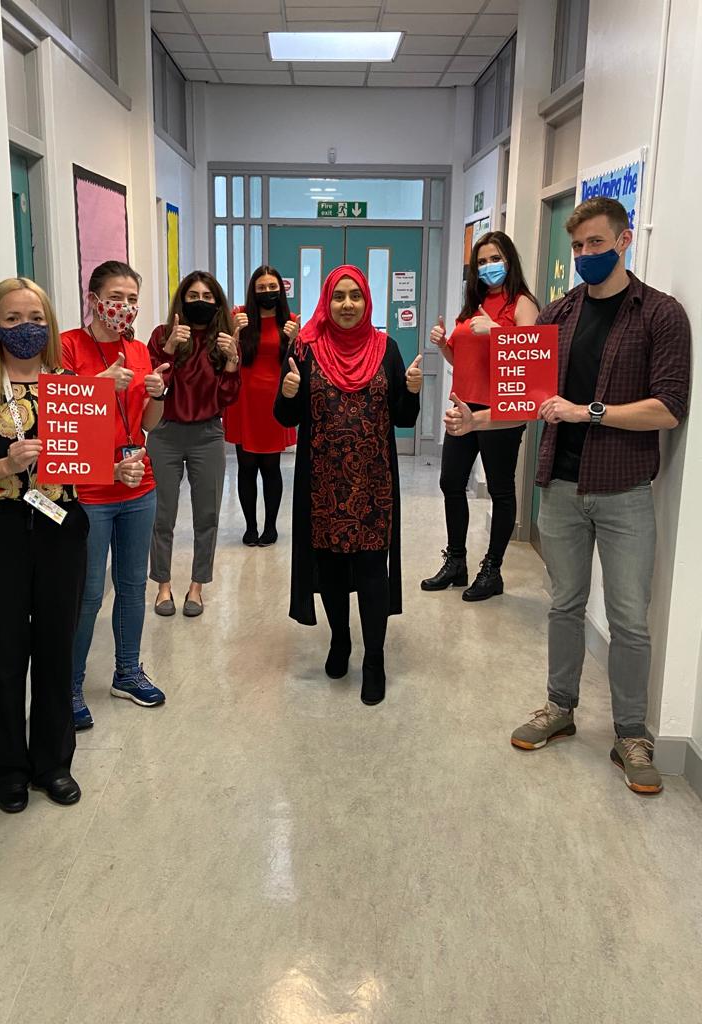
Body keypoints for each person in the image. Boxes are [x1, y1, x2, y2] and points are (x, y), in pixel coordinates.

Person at [446, 197, 691, 795]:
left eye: (597, 245)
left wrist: (589, 412)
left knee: (630, 619)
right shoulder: (558, 315)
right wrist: (479, 424)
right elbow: (525, 401)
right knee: (564, 604)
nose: (585, 256)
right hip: (558, 487)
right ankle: (560, 707)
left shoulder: (660, 315)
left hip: (624, 489)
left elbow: (668, 407)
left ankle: (632, 733)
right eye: (578, 247)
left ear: (625, 240)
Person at [0, 278, 88, 812]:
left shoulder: (72, 384)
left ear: (48, 322)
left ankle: (53, 763)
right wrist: (5, 464)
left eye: (34, 316)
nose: (25, 327)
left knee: (56, 649)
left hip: (60, 528)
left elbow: (85, 466)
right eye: (12, 319)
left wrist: (115, 467)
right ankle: (9, 768)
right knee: (3, 654)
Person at [274, 265, 422, 706]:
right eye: (338, 296)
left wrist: (411, 391)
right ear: (327, 300)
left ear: (367, 301)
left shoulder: (386, 349)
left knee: (374, 574)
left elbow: (404, 419)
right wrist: (286, 391)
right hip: (323, 484)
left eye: (354, 296)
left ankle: (374, 660)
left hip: (374, 485)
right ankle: (340, 641)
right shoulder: (306, 349)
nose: (346, 305)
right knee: (333, 574)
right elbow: (286, 419)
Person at [62, 261, 169, 731]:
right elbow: (61, 421)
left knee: (131, 587)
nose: (123, 307)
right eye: (115, 296)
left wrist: (159, 393)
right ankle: (69, 685)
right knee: (86, 593)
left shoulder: (139, 350)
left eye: (131, 299)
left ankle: (127, 671)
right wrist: (101, 384)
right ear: (92, 298)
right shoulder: (68, 346)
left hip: (137, 482)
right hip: (89, 490)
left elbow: (148, 425)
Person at [422, 231, 539, 601]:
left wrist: (498, 332)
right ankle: (457, 561)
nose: (489, 267)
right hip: (465, 407)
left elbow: (530, 361)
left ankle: (493, 569)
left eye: (495, 258)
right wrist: (443, 346)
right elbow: (464, 360)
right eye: (483, 261)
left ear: (510, 261)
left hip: (501, 411)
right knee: (451, 482)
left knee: (501, 490)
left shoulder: (522, 304)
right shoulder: (472, 305)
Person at [147, 271, 241, 617]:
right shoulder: (162, 335)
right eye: (192, 296)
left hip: (207, 434)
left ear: (217, 302)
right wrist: (170, 347)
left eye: (207, 296)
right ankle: (163, 586)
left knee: (207, 515)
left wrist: (232, 360)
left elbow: (228, 396)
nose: (199, 302)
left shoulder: (224, 340)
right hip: (165, 433)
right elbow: (155, 386)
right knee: (162, 514)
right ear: (181, 299)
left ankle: (197, 586)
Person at [224, 266, 300, 546]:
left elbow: (297, 362)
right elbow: (227, 354)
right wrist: (234, 331)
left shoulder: (290, 321)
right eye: (261, 287)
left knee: (271, 466)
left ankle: (270, 526)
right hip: (243, 402)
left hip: (275, 402)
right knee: (246, 466)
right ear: (252, 290)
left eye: (272, 287)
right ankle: (250, 526)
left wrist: (295, 339)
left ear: (280, 290)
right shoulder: (239, 317)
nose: (267, 292)